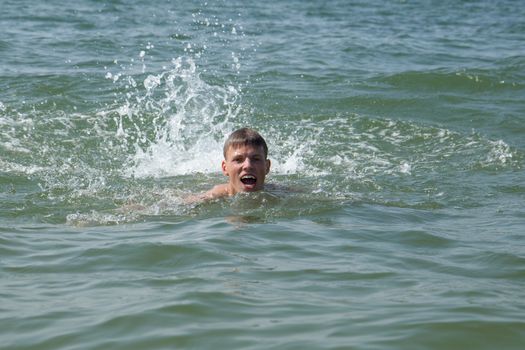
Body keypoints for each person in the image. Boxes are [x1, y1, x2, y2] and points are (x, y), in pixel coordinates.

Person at [190, 127, 271, 201]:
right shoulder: (212, 197)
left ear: (267, 167)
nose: (248, 165)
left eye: (256, 159)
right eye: (238, 160)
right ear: (225, 168)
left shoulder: (277, 192)